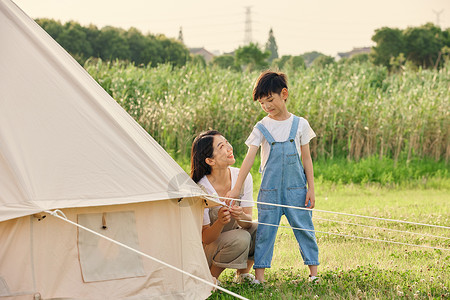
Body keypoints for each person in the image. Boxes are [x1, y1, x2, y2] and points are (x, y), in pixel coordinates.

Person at [226, 70, 319, 283]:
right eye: (262, 103)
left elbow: (307, 159)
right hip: (270, 192)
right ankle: (259, 277)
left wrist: (311, 189)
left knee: (305, 229)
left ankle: (314, 275)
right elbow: (248, 160)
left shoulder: (300, 124)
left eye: (270, 100)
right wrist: (236, 188)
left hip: (297, 191)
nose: (267, 107)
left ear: (283, 94)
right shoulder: (261, 127)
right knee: (265, 233)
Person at [190, 130, 258, 283]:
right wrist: (220, 221)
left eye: (227, 142)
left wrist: (240, 217)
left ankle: (243, 275)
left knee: (259, 229)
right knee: (241, 237)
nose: (229, 148)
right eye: (221, 146)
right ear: (210, 161)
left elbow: (248, 222)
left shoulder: (243, 177)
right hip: (206, 249)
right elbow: (205, 237)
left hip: (231, 237)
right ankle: (210, 279)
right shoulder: (200, 189)